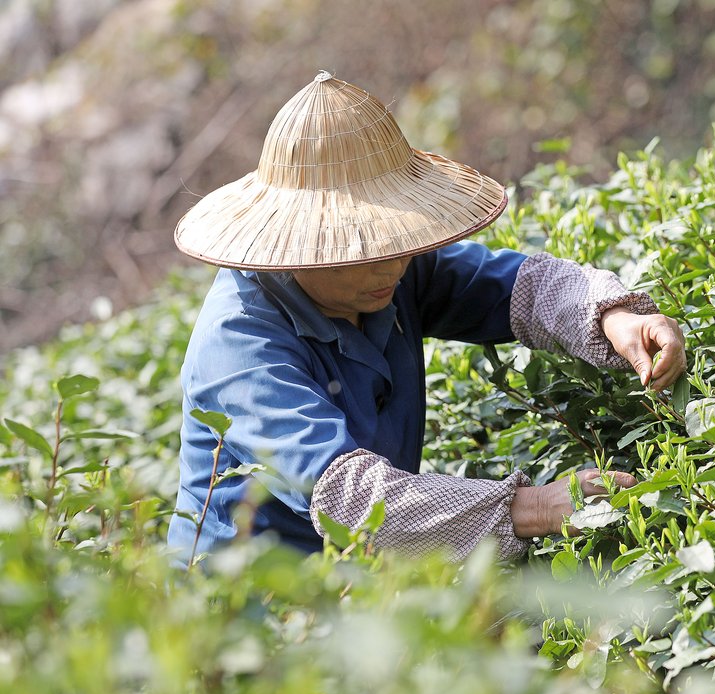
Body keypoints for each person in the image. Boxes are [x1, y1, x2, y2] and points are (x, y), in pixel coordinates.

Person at [166, 71, 685, 562]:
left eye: (393, 239)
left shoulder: (390, 269)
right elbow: (347, 497)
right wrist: (536, 507)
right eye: (362, 246)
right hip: (251, 610)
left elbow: (519, 286)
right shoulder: (238, 344)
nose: (395, 262)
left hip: (360, 582)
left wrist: (615, 316)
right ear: (303, 243)